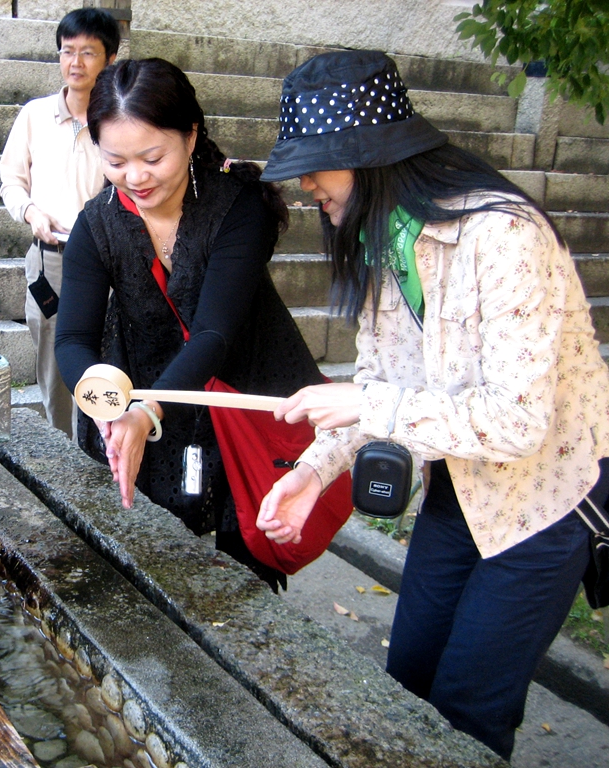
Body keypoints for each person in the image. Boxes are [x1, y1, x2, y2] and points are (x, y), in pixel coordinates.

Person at [256, 50, 609, 759]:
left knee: (469, 708)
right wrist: (313, 472)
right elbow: (380, 381)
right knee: (406, 684)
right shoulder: (388, 240)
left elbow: (516, 421)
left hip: (544, 503)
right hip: (461, 481)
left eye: (316, 164)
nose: (304, 184)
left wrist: (368, 404)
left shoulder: (503, 235)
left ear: (372, 156)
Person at [55, 58, 327, 589]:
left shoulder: (238, 205)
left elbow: (214, 335)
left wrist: (146, 410)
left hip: (233, 390)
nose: (135, 177)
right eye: (115, 160)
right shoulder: (98, 223)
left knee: (240, 557)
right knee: (143, 558)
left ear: (191, 134)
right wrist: (110, 410)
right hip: (140, 385)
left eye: (152, 157)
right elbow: (72, 339)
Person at [0, 7, 120, 438]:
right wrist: (31, 212)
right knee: (53, 364)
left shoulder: (118, 120)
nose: (76, 63)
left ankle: (106, 446)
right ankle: (64, 450)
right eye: (68, 52)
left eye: (88, 53)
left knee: (109, 358)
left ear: (108, 60)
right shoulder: (34, 115)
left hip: (109, 262)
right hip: (51, 260)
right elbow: (11, 181)